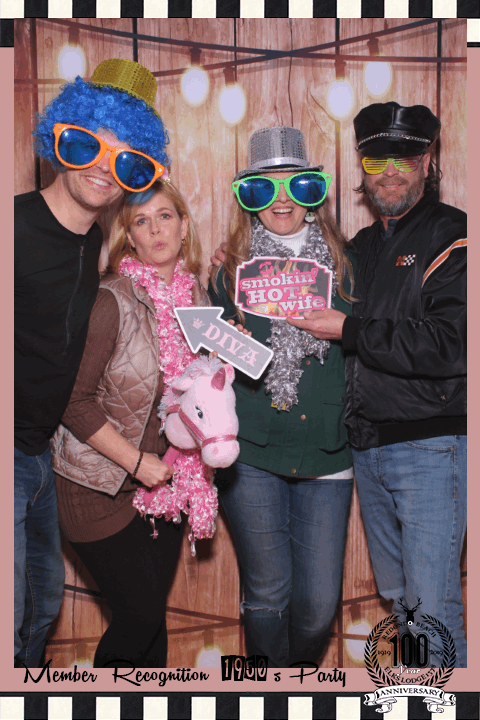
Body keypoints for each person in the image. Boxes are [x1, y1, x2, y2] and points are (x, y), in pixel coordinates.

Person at [288, 102, 467, 667]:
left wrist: (351, 329)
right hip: (368, 449)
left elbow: (453, 344)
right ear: (362, 167)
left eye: (405, 157)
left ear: (427, 163)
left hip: (430, 446)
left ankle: (445, 699)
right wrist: (233, 258)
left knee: (431, 606)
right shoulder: (361, 247)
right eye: (376, 159)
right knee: (402, 600)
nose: (390, 172)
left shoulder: (454, 233)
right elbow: (296, 276)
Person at [15, 58, 170, 667]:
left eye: (126, 160)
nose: (105, 168)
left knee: (37, 612)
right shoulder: (14, 227)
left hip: (40, 455)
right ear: (59, 140)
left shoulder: (94, 244)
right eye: (88, 145)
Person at [208, 126, 355, 667]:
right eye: (264, 187)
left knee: (317, 608)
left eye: (297, 184)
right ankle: (273, 693)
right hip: (253, 451)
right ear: (248, 197)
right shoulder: (228, 270)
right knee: (268, 596)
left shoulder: (349, 264)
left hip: (327, 452)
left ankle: (298, 681)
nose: (282, 199)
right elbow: (212, 362)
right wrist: (228, 344)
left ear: (314, 192)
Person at [51, 178, 211, 668]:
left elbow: (198, 397)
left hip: (169, 480)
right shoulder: (111, 300)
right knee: (139, 618)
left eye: (165, 216)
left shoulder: (198, 300)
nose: (156, 229)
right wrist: (136, 462)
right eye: (142, 221)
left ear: (184, 227)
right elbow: (71, 400)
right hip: (97, 482)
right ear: (129, 237)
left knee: (149, 622)